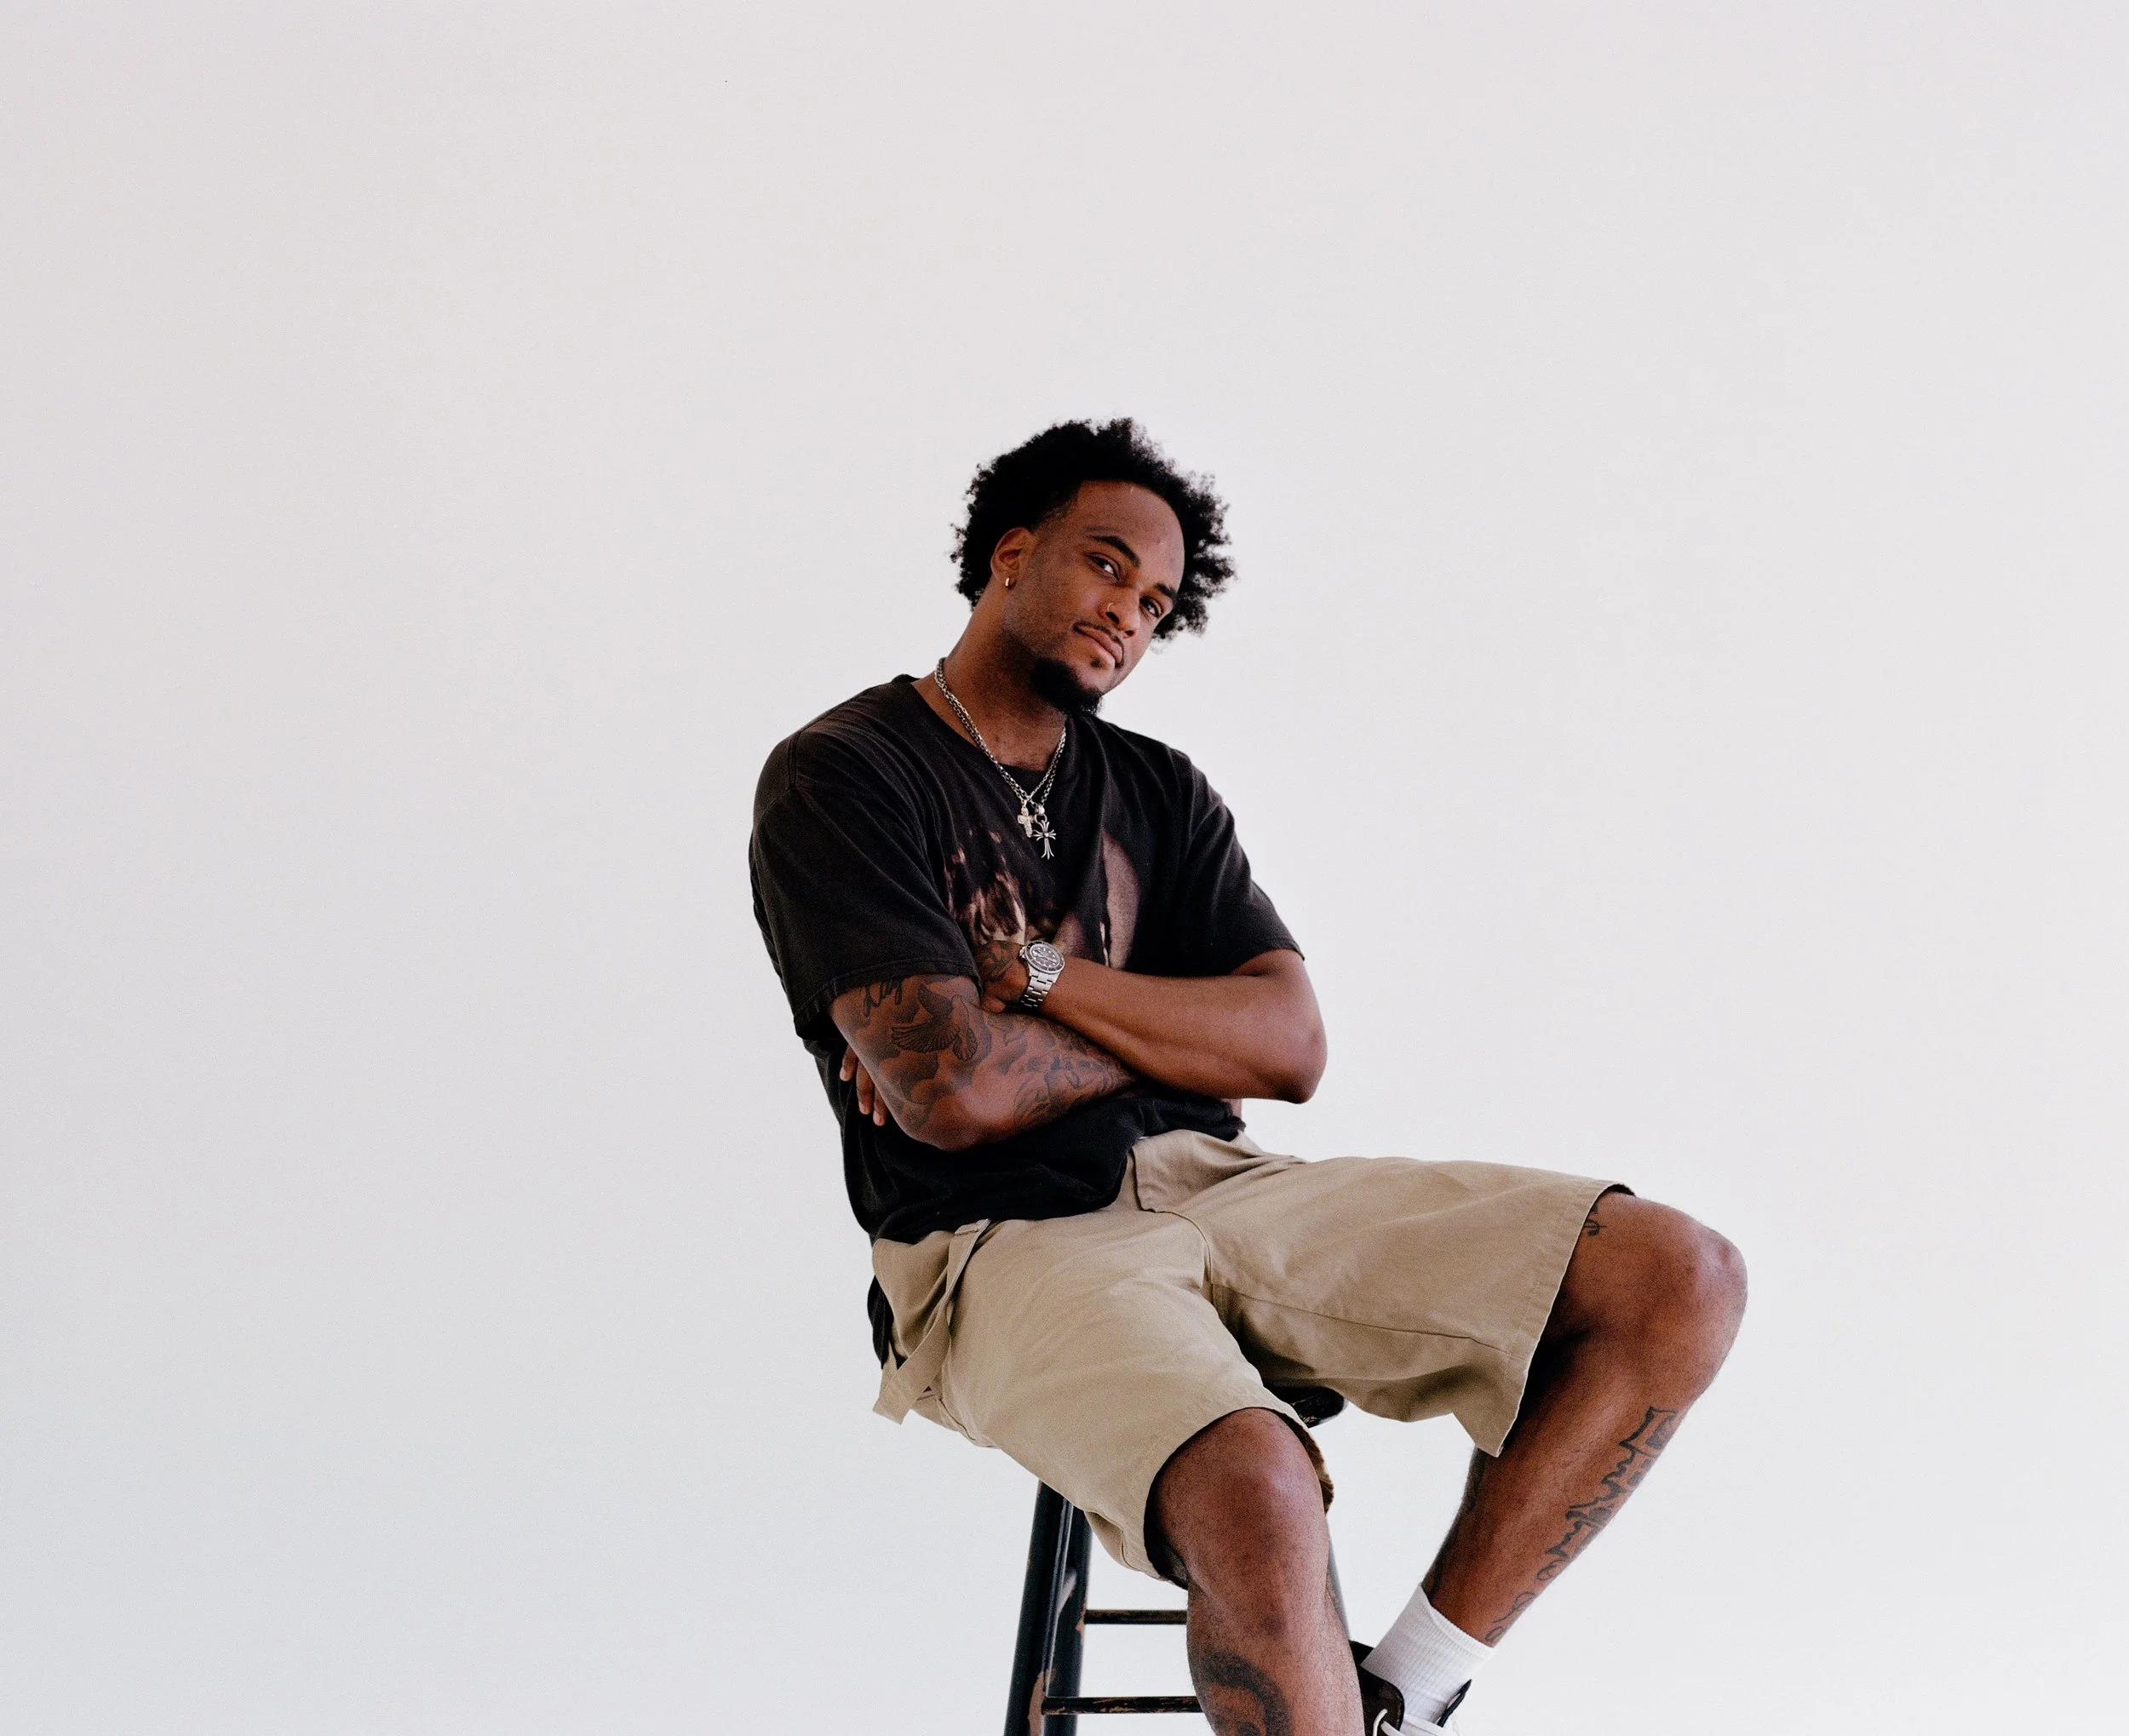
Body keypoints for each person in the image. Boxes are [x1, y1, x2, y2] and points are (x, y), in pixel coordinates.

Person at [748, 420, 1746, 1735]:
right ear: (1009, 552)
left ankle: (1408, 1685)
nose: (1127, 615)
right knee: (1253, 1478)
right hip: (992, 1242)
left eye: (1156, 602)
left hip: (1219, 1181)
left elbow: (1290, 1048)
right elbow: (956, 1098)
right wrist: (1170, 1031)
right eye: (1106, 568)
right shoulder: (847, 773)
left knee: (1676, 1274)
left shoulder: (1158, 791)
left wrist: (1034, 982)